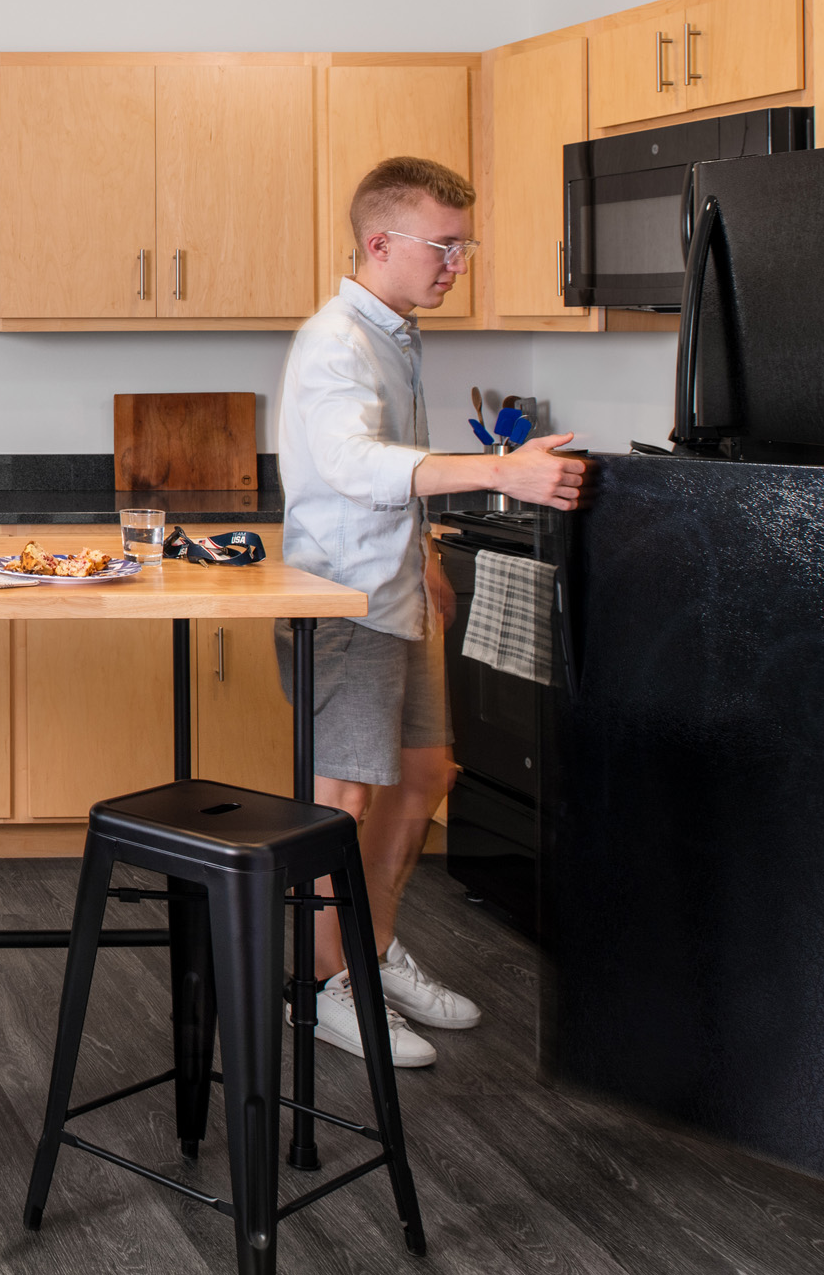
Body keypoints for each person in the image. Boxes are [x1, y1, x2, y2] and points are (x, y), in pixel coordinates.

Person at [276, 156, 586, 1068]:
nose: (460, 263)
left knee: (424, 779)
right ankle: (325, 985)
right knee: (341, 801)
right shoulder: (337, 340)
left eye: (464, 245)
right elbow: (352, 465)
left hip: (399, 591)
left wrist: (431, 556)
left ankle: (368, 953)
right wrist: (500, 469)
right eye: (443, 246)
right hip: (346, 606)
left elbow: (388, 480)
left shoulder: (396, 333)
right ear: (382, 244)